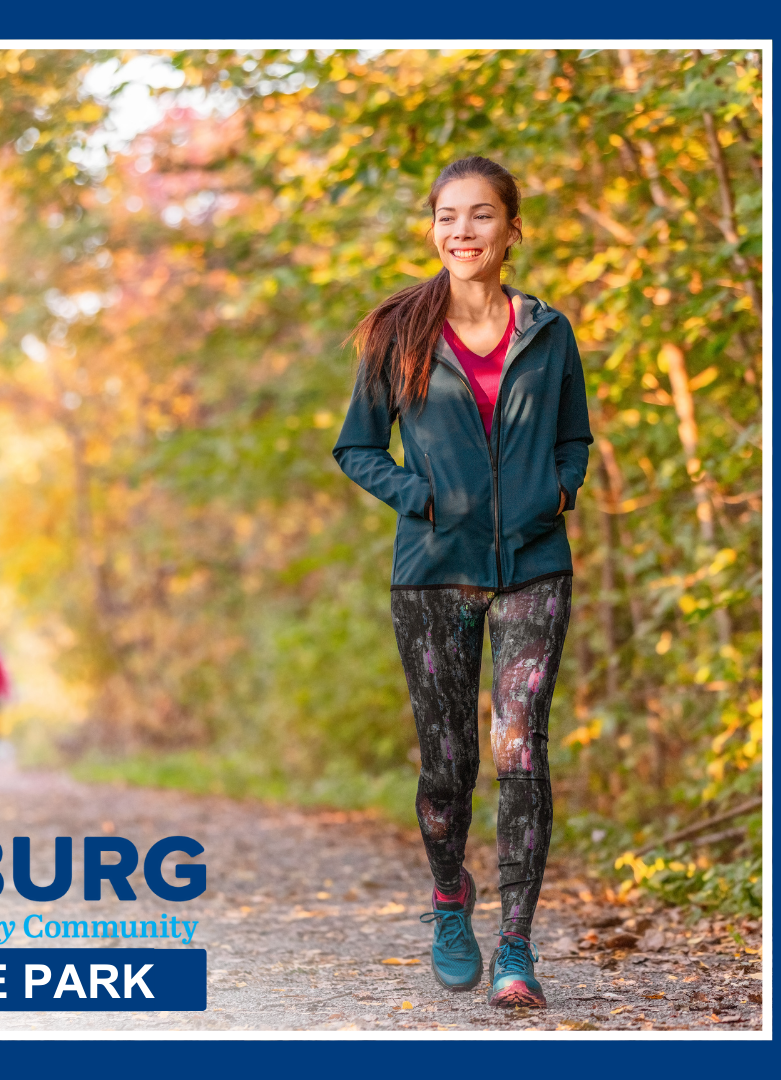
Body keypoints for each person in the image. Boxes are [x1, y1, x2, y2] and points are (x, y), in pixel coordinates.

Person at [333, 155, 592, 1009]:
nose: (463, 232)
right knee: (448, 766)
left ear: (513, 229)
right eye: (448, 217)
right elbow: (358, 447)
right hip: (434, 576)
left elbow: (574, 438)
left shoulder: (548, 333)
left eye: (481, 216)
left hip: (533, 566)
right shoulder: (398, 333)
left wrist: (559, 489)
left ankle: (516, 946)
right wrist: (423, 498)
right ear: (432, 228)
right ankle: (452, 898)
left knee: (520, 750)